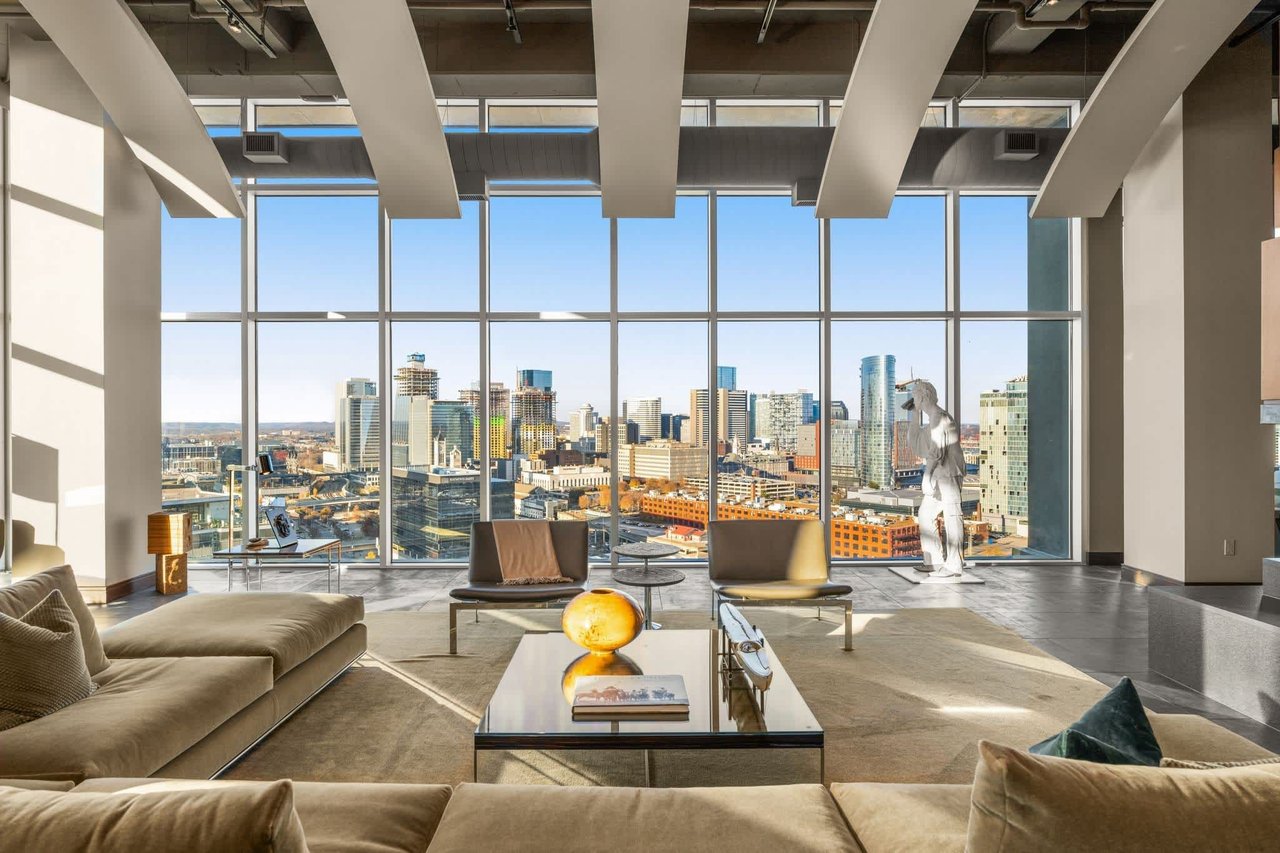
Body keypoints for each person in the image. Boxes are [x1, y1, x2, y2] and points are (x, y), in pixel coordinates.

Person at [904, 379, 966, 577]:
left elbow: (936, 451)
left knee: (952, 516)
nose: (914, 399)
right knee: (925, 515)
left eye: (915, 396)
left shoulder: (940, 418)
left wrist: (927, 475)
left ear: (923, 396)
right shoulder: (931, 419)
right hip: (939, 474)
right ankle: (934, 561)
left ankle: (955, 564)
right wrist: (914, 414)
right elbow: (916, 443)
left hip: (948, 473)